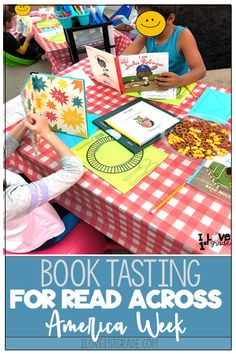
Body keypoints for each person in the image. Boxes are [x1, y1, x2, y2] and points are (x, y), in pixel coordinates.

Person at [4, 114, 84, 253]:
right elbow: (74, 170)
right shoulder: (12, 201)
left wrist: (25, 123)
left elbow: (4, 148)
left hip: (17, 225)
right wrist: (46, 133)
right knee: (84, 206)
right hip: (41, 237)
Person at [122, 5, 206, 89]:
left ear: (170, 18)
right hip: (154, 83)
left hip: (179, 84)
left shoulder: (183, 35)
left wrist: (179, 81)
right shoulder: (146, 33)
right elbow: (124, 58)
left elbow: (200, 70)